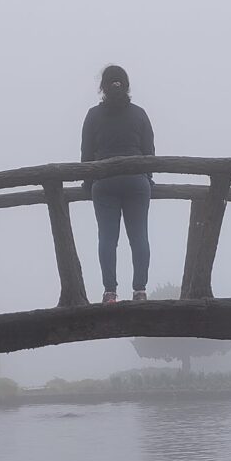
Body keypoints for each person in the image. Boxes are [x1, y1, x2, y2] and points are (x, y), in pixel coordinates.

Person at [81, 65, 155, 304]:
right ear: (127, 85)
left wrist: (88, 182)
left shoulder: (93, 115)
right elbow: (149, 151)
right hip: (136, 181)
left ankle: (110, 292)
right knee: (139, 237)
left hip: (104, 182)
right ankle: (140, 290)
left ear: (103, 87)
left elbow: (86, 154)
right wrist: (148, 178)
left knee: (107, 239)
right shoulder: (140, 114)